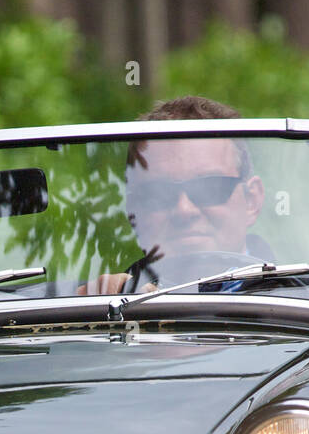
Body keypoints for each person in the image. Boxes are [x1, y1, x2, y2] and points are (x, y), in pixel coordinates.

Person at [80, 95, 266, 296]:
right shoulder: (105, 309)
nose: (184, 210)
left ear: (251, 201)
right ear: (133, 211)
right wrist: (90, 315)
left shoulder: (300, 301)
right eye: (159, 194)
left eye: (209, 188)